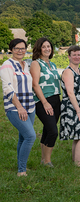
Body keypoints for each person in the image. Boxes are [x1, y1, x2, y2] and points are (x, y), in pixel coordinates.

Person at [0, 39, 36, 176]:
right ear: (11, 50)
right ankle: (22, 171)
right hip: (15, 107)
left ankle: (21, 165)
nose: (20, 51)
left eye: (23, 48)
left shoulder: (25, 65)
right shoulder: (6, 65)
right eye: (17, 48)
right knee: (30, 136)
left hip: (30, 107)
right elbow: (7, 88)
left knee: (23, 137)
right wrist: (19, 107)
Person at [30, 37, 61, 167]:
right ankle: (48, 161)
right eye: (44, 47)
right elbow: (35, 84)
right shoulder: (36, 63)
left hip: (56, 99)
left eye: (49, 46)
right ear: (39, 49)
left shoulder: (52, 64)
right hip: (43, 100)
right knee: (53, 131)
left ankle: (43, 159)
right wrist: (44, 102)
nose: (47, 49)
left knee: (48, 130)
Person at [59, 45, 80, 167]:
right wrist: (78, 111)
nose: (77, 57)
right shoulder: (68, 72)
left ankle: (75, 161)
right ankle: (78, 163)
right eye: (74, 55)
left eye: (79, 54)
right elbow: (70, 93)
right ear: (69, 57)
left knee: (78, 135)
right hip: (72, 108)